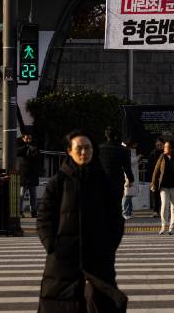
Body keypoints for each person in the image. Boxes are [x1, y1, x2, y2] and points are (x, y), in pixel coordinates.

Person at [37, 130, 125, 311]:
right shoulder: (58, 182)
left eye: (88, 148)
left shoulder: (103, 181)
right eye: (79, 148)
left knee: (100, 302)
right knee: (61, 303)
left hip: (98, 258)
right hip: (63, 259)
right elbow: (44, 217)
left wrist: (109, 246)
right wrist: (52, 245)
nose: (84, 152)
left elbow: (116, 217)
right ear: (69, 150)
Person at [150, 139, 174, 235]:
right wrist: (153, 184)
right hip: (164, 186)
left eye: (166, 147)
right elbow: (156, 171)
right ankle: (163, 225)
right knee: (164, 205)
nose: (164, 148)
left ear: (172, 149)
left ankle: (172, 227)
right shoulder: (162, 157)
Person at [98, 127, 134, 212]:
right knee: (116, 204)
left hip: (102, 179)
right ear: (116, 136)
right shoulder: (123, 150)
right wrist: (131, 179)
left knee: (103, 203)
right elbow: (127, 167)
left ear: (106, 135)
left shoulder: (99, 149)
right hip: (117, 180)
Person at [16, 132, 40, 217]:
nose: (29, 139)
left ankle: (33, 211)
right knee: (21, 194)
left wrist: (32, 148)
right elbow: (17, 152)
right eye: (27, 138)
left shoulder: (34, 143)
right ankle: (19, 211)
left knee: (33, 194)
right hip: (23, 172)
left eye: (30, 137)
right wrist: (26, 146)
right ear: (23, 137)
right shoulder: (18, 142)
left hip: (32, 172)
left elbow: (37, 154)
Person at [122, 141, 140, 219]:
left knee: (130, 195)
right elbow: (130, 162)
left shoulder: (130, 151)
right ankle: (125, 212)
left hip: (131, 176)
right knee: (127, 196)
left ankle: (129, 212)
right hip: (128, 176)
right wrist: (138, 157)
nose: (136, 145)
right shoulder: (126, 151)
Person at [147, 137, 164, 217]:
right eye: (158, 144)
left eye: (160, 144)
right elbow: (149, 167)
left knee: (165, 195)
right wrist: (151, 179)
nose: (159, 145)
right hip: (155, 177)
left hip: (164, 177)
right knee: (155, 195)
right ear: (155, 144)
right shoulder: (152, 154)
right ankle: (156, 211)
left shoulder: (166, 153)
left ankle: (164, 211)